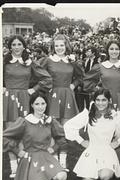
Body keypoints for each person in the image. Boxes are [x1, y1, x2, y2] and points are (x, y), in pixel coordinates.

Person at [3, 35, 52, 178]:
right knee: (11, 133)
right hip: (8, 99)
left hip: (24, 98)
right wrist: (1, 86)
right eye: (14, 44)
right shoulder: (4, 62)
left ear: (24, 46)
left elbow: (47, 78)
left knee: (25, 133)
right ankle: (14, 166)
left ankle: (24, 164)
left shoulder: (30, 62)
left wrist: (34, 89)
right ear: (10, 47)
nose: (17, 47)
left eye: (19, 44)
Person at [3, 92, 68, 180]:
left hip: (46, 156)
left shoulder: (50, 121)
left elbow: (62, 136)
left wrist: (54, 148)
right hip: (30, 158)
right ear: (32, 105)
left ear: (46, 105)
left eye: (43, 103)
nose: (40, 107)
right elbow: (4, 137)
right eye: (37, 104)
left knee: (62, 177)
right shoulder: (24, 121)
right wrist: (17, 151)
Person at [63, 88, 120, 180]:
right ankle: (91, 174)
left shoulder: (115, 115)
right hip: (92, 150)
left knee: (104, 176)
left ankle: (106, 177)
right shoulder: (88, 114)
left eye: (104, 100)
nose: (100, 103)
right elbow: (68, 126)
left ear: (109, 101)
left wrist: (119, 141)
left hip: (107, 150)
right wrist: (81, 141)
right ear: (94, 101)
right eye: (98, 100)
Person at [40, 34, 84, 168]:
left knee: (64, 130)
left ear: (66, 46)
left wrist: (73, 85)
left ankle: (63, 160)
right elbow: (38, 74)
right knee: (52, 129)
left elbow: (80, 76)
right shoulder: (48, 60)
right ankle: (53, 158)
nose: (59, 48)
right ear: (53, 47)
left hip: (67, 96)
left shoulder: (71, 61)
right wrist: (46, 86)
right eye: (57, 45)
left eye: (62, 45)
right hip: (52, 96)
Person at [83, 40, 120, 110]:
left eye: (116, 49)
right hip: (105, 100)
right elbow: (87, 82)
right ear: (107, 50)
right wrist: (97, 91)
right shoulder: (100, 66)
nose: (114, 51)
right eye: (111, 49)